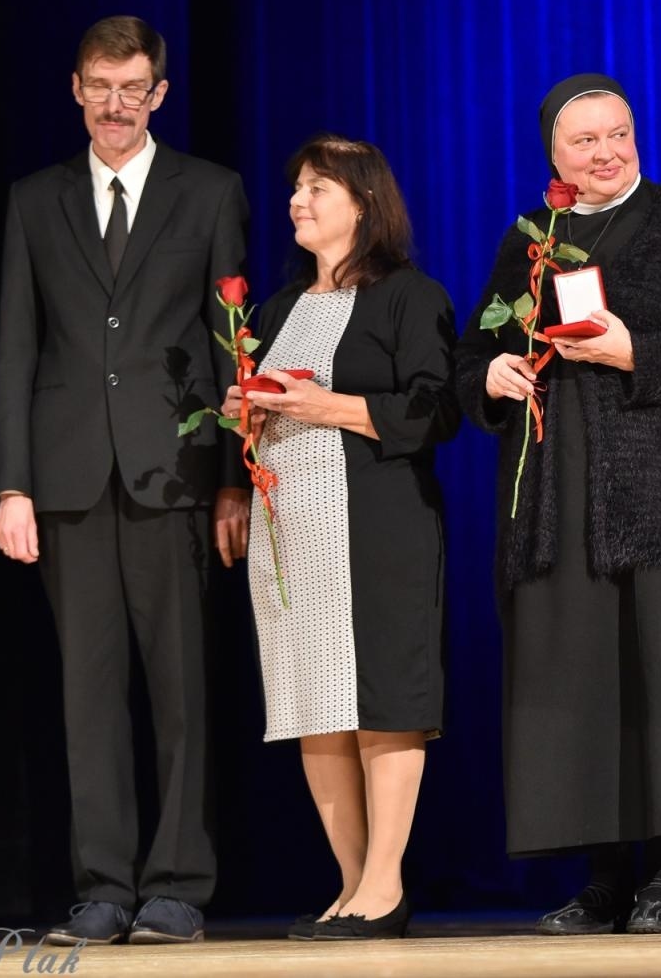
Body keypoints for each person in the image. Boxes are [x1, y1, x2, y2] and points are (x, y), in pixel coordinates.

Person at [455, 73, 661, 935]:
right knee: (580, 683)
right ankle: (601, 878)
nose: (606, 151)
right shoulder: (531, 242)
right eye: (585, 140)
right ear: (553, 154)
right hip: (556, 493)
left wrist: (638, 354)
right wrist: (492, 371)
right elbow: (475, 346)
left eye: (618, 133)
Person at [0, 15, 250, 945]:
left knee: (182, 691)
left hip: (175, 476)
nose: (114, 105)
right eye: (99, 86)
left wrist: (232, 481)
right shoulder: (35, 200)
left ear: (159, 94)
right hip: (66, 482)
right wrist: (10, 485)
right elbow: (17, 350)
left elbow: (230, 350)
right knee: (87, 693)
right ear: (75, 89)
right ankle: (101, 886)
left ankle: (178, 882)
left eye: (132, 87)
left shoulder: (211, 193)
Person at [218, 135, 458, 940]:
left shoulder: (407, 296)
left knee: (383, 699)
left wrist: (326, 407)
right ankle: (350, 884)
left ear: (363, 203)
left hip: (378, 524)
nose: (298, 200)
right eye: (296, 188)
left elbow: (434, 412)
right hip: (292, 532)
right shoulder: (278, 311)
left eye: (318, 188)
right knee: (315, 700)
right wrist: (247, 414)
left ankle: (386, 884)